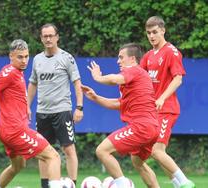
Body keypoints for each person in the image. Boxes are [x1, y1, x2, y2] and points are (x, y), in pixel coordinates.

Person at [0, 39, 62, 188]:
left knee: (18, 166)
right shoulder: (10, 73)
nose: (24, 60)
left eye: (26, 56)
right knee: (53, 157)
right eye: (20, 57)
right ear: (11, 56)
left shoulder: (12, 71)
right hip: (15, 131)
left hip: (9, 130)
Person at [82, 43, 160, 188]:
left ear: (132, 59)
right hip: (152, 128)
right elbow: (118, 104)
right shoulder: (137, 78)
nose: (118, 61)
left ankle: (123, 185)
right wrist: (96, 97)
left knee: (102, 151)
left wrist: (98, 77)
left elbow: (115, 79)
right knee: (138, 162)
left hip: (141, 127)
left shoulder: (134, 70)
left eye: (121, 57)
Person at [139, 16, 196, 188]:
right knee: (157, 152)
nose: (151, 36)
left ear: (163, 31)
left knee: (156, 151)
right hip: (152, 111)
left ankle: (185, 182)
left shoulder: (171, 52)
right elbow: (137, 77)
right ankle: (176, 184)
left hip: (166, 109)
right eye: (148, 33)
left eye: (155, 32)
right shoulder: (149, 56)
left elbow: (178, 79)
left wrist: (162, 98)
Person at [27, 23, 83, 188]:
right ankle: (46, 185)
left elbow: (77, 83)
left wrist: (79, 107)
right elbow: (32, 84)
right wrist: (26, 106)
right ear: (41, 38)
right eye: (45, 36)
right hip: (42, 112)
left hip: (62, 111)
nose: (48, 39)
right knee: (43, 152)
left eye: (51, 35)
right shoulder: (37, 59)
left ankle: (72, 184)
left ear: (57, 37)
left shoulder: (66, 58)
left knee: (68, 150)